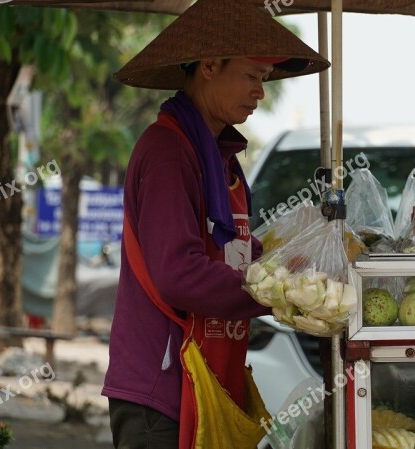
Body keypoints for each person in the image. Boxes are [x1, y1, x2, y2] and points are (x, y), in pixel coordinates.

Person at [101, 1, 329, 448]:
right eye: (251, 76)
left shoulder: (221, 157)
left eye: (263, 81)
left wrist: (295, 265)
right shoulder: (169, 152)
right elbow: (180, 274)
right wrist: (278, 293)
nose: (260, 93)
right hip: (163, 390)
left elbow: (231, 253)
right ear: (209, 65)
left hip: (208, 376)